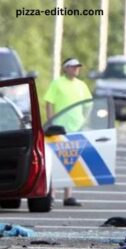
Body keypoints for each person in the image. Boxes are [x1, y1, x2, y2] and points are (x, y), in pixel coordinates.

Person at [44, 58, 92, 207]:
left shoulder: (81, 85)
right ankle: (51, 194)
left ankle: (68, 195)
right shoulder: (57, 83)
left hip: (76, 128)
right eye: (73, 67)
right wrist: (51, 120)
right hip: (59, 128)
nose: (76, 69)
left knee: (72, 162)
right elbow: (49, 102)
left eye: (78, 67)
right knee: (56, 161)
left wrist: (85, 119)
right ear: (66, 68)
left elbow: (88, 104)